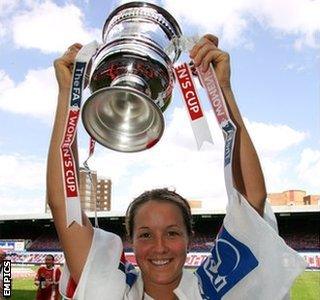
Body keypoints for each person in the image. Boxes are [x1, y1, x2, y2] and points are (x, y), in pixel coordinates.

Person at [48, 34, 305, 299]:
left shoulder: (212, 291)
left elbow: (251, 200)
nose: (159, 247)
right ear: (131, 241)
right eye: (145, 235)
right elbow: (63, 206)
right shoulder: (112, 290)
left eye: (172, 233)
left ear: (188, 238)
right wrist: (68, 92)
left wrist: (223, 89)